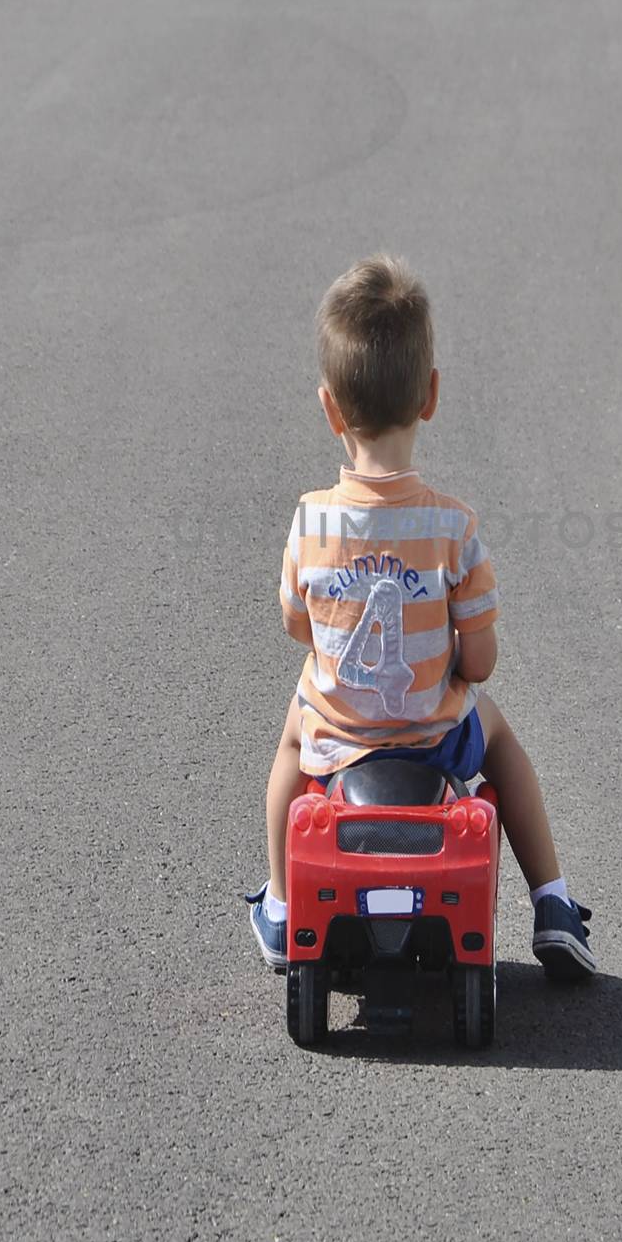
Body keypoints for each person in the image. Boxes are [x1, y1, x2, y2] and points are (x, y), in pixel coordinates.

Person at [246, 255, 596, 979]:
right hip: (431, 741)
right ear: (431, 395)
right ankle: (554, 901)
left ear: (329, 408)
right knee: (500, 738)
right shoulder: (452, 527)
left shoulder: (310, 520)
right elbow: (479, 662)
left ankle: (281, 906)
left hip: (339, 739)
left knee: (288, 743)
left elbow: (296, 626)